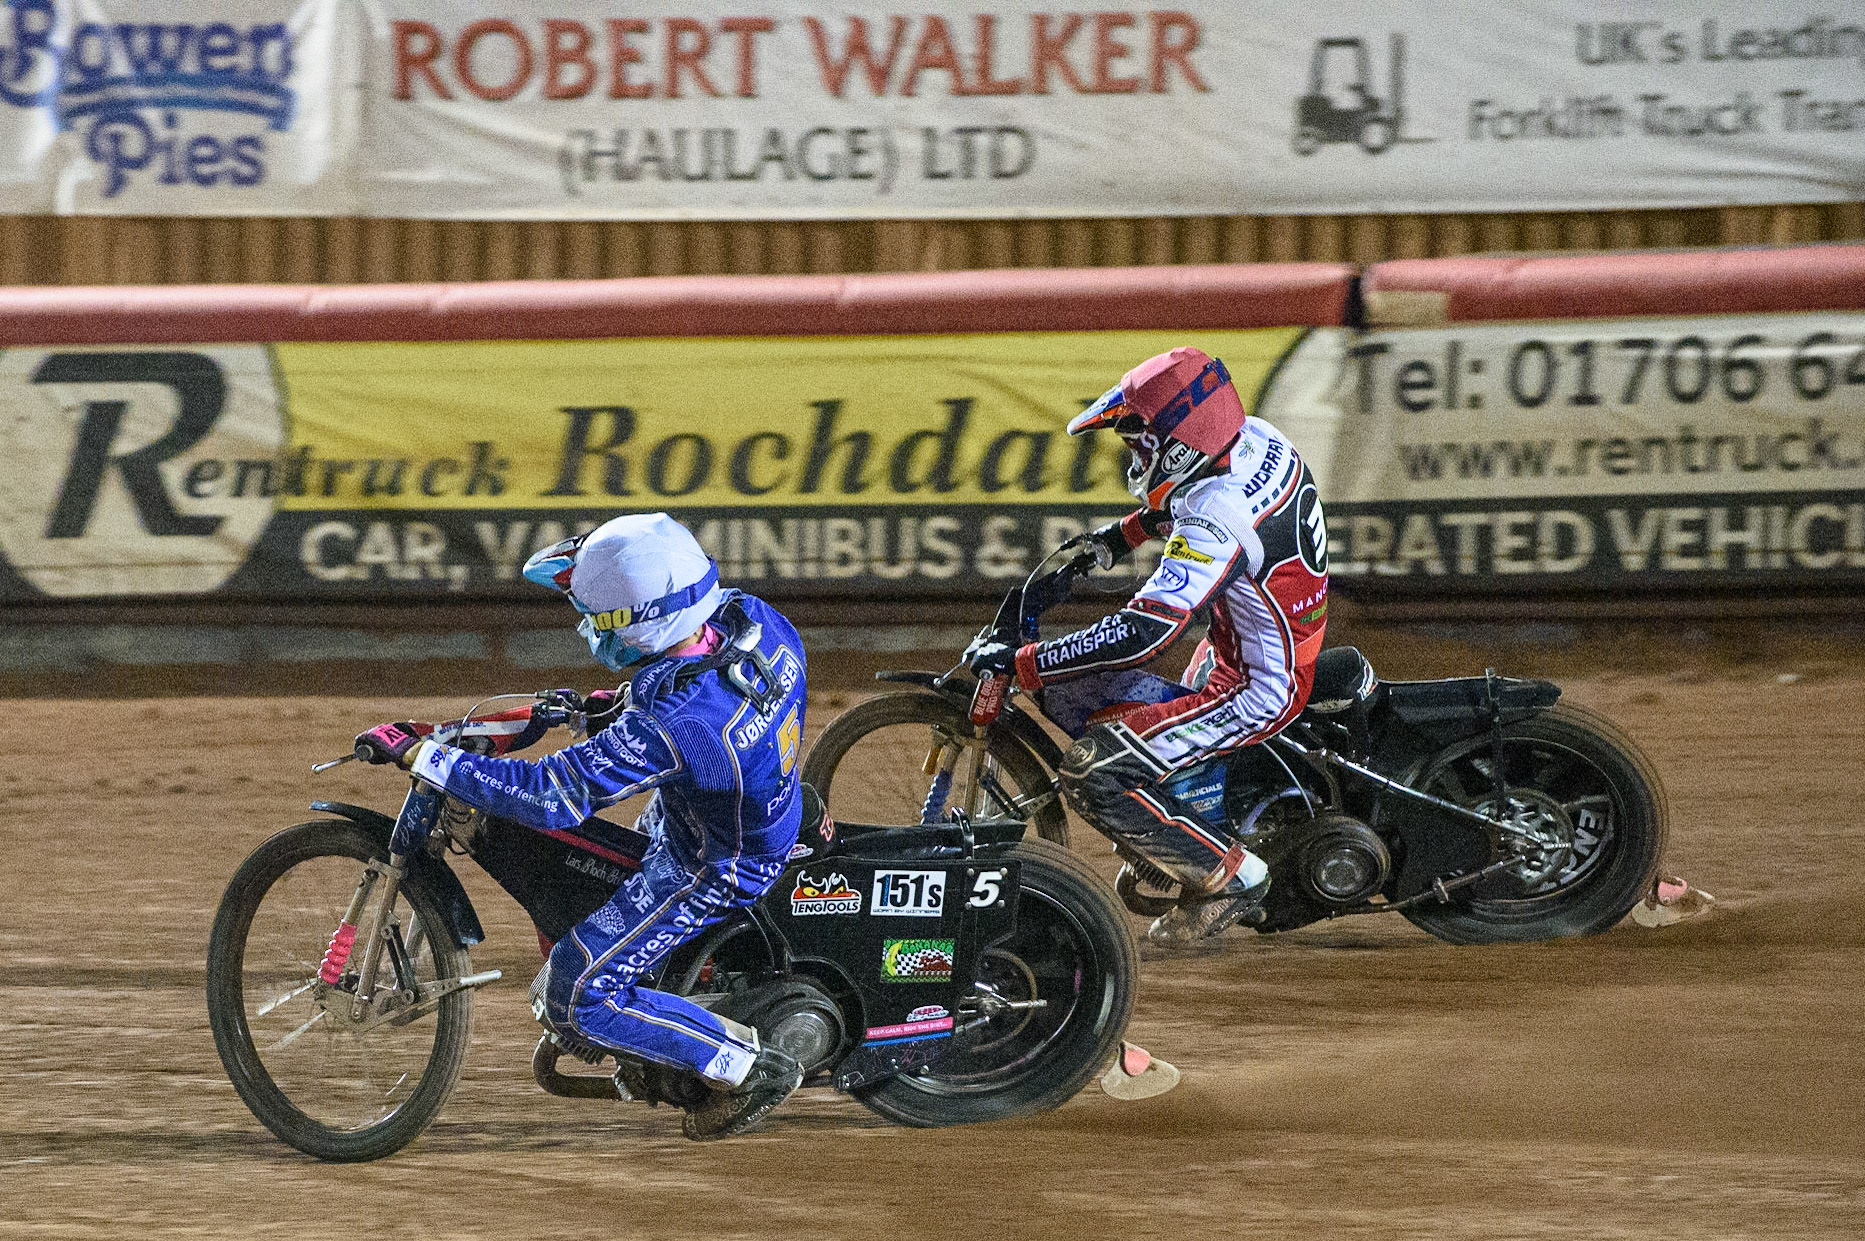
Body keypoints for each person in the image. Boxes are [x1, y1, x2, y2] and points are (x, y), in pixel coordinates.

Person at [354, 512, 809, 1141]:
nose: (586, 627)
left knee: (575, 996)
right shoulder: (751, 619)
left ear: (646, 620)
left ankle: (745, 1067)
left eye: (597, 617)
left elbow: (551, 797)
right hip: (736, 803)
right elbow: (690, 684)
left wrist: (425, 754)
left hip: (713, 863)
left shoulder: (681, 726)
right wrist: (604, 709)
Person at [967, 347, 1330, 944]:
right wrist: (1119, 536)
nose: (1135, 457)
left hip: (1259, 685)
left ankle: (1235, 877)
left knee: (1093, 771)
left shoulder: (1218, 520)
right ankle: (1186, 829)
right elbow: (1183, 506)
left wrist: (1024, 661)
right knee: (1131, 727)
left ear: (1182, 441)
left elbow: (1142, 634)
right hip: (1258, 639)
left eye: (1142, 442)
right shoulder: (1252, 439)